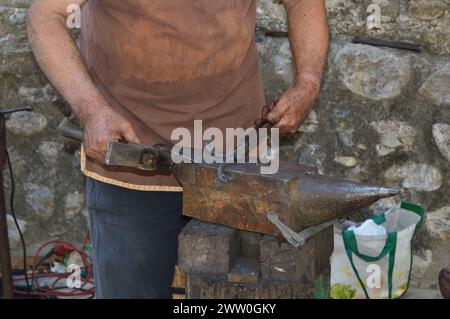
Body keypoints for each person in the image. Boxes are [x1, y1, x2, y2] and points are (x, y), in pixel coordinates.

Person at [26, 0, 329, 298]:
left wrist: (308, 83)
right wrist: (92, 110)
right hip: (131, 158)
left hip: (235, 158)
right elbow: (45, 15)